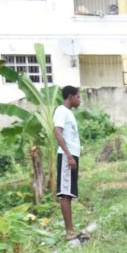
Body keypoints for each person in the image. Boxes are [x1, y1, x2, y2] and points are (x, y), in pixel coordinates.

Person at [52, 84, 82, 240]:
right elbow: (57, 132)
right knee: (65, 193)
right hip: (66, 156)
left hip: (71, 155)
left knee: (69, 193)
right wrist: (68, 155)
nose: (79, 100)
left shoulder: (68, 113)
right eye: (78, 97)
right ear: (70, 97)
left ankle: (71, 230)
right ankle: (69, 231)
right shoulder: (61, 111)